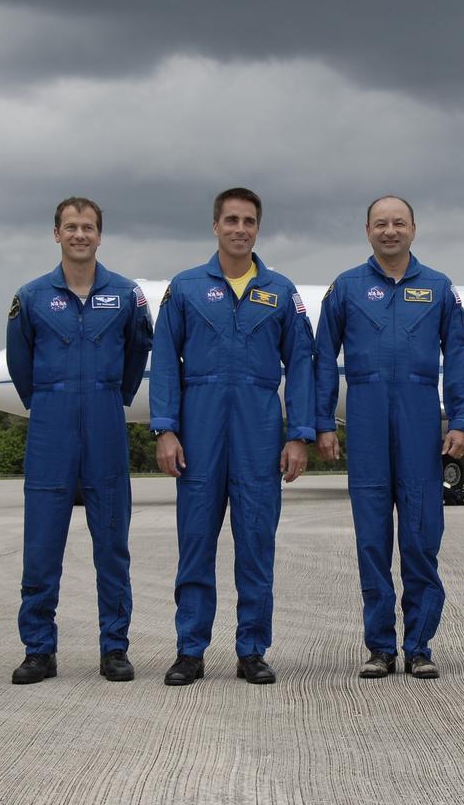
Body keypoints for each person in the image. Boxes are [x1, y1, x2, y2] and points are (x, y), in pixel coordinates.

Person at [151, 188, 315, 686]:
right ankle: (190, 650)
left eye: (248, 221)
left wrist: (298, 435)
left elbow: (303, 364)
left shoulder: (281, 292)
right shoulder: (185, 289)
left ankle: (252, 649)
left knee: (256, 542)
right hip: (199, 429)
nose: (239, 229)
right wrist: (166, 429)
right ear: (216, 225)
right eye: (231, 220)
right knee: (196, 541)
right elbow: (164, 362)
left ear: (257, 228)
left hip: (260, 428)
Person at [315, 195, 464, 679]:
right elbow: (323, 359)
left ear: (413, 229)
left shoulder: (440, 288)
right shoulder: (345, 288)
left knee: (422, 535)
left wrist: (463, 420)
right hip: (364, 415)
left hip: (421, 415)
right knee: (372, 539)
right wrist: (323, 421)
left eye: (398, 223)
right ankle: (381, 647)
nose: (390, 231)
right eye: (380, 224)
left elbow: (460, 361)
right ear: (367, 230)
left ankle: (420, 645)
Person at [5, 197, 154, 685]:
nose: (80, 235)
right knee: (41, 545)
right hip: (51, 425)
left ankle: (114, 648)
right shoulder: (30, 297)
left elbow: (137, 358)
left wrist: (111, 398)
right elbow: (22, 372)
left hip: (106, 421)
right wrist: (51, 402)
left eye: (88, 227)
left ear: (99, 235)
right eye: (71, 227)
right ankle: (39, 650)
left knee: (112, 543)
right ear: (56, 234)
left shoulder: (127, 295)